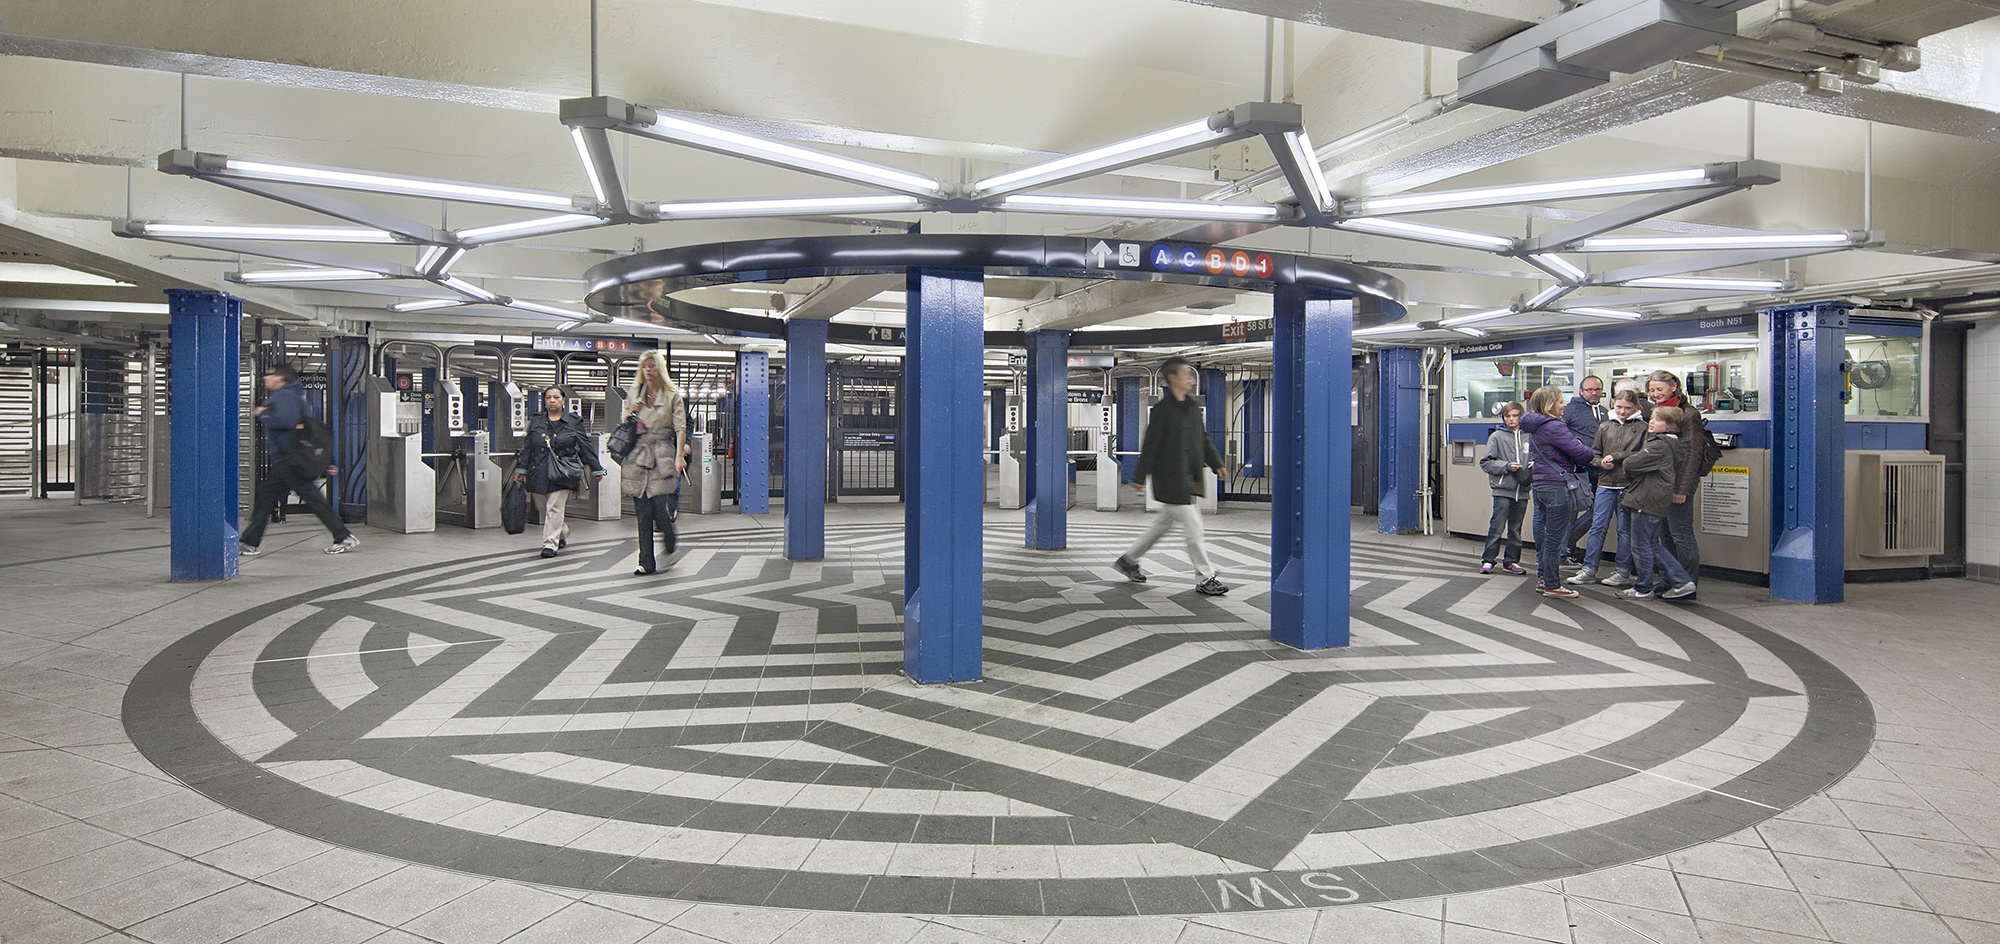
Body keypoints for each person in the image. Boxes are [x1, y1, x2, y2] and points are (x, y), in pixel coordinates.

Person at [1112, 357, 1230, 596]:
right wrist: (1139, 475)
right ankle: (1205, 577)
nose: (1190, 378)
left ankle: (1128, 560)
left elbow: (1203, 438)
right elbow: (1151, 445)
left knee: (1161, 525)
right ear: (1173, 378)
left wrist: (1216, 463)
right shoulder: (1162, 411)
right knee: (1194, 529)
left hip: (1189, 477)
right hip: (1171, 479)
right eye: (1186, 373)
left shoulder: (1192, 406)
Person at [240, 364, 359, 557]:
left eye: (269, 375)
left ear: (280, 378)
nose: (265, 378)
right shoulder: (291, 395)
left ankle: (343, 536)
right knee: (266, 501)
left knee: (311, 500)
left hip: (290, 460)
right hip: (286, 460)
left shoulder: (285, 396)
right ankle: (249, 542)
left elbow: (286, 421)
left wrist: (263, 413)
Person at [1518, 386, 1596, 598]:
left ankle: (1543, 579)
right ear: (1551, 404)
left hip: (1541, 485)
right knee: (1555, 539)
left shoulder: (1534, 426)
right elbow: (1580, 453)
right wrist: (1585, 447)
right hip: (1558, 486)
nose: (1564, 405)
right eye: (1561, 401)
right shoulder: (1554, 426)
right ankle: (1552, 584)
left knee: (1546, 536)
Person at [1616, 405, 1699, 601]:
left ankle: (1645, 587)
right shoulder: (1674, 444)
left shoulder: (1658, 446)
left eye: (1656, 419)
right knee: (1653, 544)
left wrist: (1629, 463)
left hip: (1645, 498)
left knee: (1641, 545)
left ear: (1669, 425)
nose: (1651, 422)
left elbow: (1630, 464)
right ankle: (1681, 581)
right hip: (1656, 499)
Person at [512, 385, 604, 559]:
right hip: (538, 470)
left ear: (563, 401)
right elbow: (528, 446)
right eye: (548, 397)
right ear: (544, 401)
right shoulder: (537, 421)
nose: (552, 401)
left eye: (556, 397)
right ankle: (562, 531)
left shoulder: (573, 422)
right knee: (544, 508)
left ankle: (550, 544)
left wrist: (596, 468)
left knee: (554, 507)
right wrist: (521, 468)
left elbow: (585, 446)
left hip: (563, 471)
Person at [1569, 390, 1646, 586]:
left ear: (1636, 408)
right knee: (1597, 526)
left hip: (1628, 484)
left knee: (1624, 530)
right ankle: (1589, 568)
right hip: (1605, 482)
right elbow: (1594, 454)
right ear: (1613, 404)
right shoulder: (1605, 426)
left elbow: (1642, 455)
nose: (1622, 411)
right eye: (1619, 407)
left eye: (1628, 408)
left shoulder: (1643, 428)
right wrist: (1600, 463)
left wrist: (1618, 456)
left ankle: (1622, 570)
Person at [622, 351, 687, 576]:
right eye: (644, 366)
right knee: (642, 512)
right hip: (638, 456)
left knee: (659, 508)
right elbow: (624, 423)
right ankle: (646, 562)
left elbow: (680, 427)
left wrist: (679, 456)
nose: (648, 370)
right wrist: (631, 412)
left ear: (660, 368)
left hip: (662, 455)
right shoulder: (634, 394)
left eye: (652, 366)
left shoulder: (672, 395)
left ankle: (670, 542)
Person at [1645, 369, 1706, 581]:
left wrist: (1682, 488)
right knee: (1665, 534)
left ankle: (1687, 581)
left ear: (1673, 387)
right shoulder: (1657, 412)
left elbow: (1693, 453)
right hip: (1661, 482)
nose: (1655, 394)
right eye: (1652, 390)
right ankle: (1672, 579)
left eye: (1659, 389)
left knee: (1681, 533)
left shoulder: (1688, 414)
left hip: (1678, 481)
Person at [1476, 402, 1533, 576]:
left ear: (1521, 416)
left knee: (1515, 529)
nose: (1511, 419)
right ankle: (1488, 560)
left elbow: (1538, 454)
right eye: (1508, 416)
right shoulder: (1497, 437)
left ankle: (1511, 561)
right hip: (1502, 488)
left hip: (1522, 489)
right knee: (1497, 526)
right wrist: (1507, 466)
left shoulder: (1529, 436)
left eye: (1515, 416)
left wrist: (1534, 464)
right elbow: (1486, 463)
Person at [1561, 375, 1607, 563]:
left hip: (1601, 468)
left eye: (1597, 390)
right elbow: (1561, 434)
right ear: (1581, 391)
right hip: (1577, 469)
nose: (1594, 393)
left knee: (1597, 510)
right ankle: (1563, 550)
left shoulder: (1605, 412)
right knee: (1571, 510)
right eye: (1589, 390)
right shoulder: (1570, 410)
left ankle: (1567, 543)